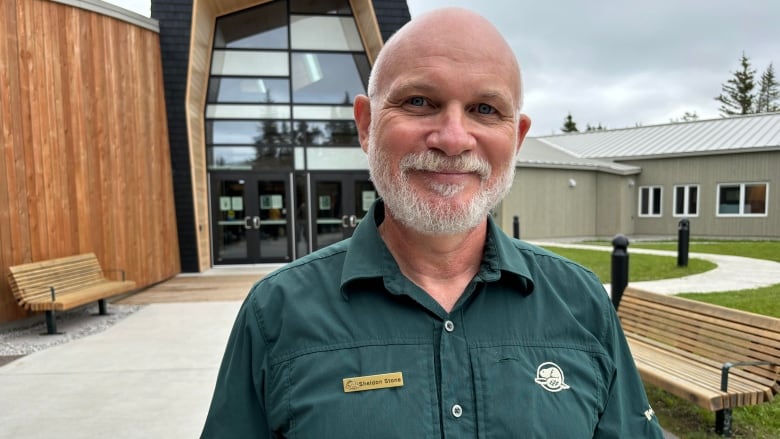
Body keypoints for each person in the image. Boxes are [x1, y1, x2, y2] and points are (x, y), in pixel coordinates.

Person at [201, 7, 665, 438]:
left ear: (517, 137)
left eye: (485, 109)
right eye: (420, 100)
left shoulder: (581, 304)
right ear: (366, 125)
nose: (453, 139)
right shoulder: (277, 313)